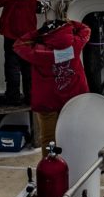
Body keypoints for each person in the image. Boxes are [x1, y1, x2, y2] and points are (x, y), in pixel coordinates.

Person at [14, 20, 91, 155]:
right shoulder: (75, 45)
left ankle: (50, 169)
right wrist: (69, 23)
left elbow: (19, 44)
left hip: (47, 102)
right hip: (73, 99)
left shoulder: (38, 51)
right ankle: (74, 165)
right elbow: (85, 29)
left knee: (49, 138)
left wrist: (38, 33)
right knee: (74, 136)